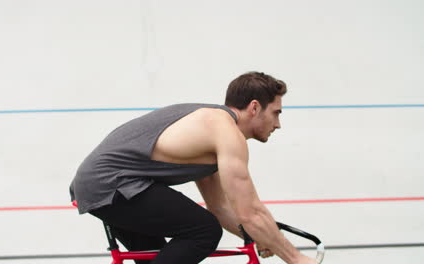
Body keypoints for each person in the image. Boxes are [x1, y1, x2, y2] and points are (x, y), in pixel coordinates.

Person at [69, 71, 317, 264]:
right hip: (113, 185)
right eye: (276, 113)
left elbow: (220, 208)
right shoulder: (225, 131)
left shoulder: (211, 131)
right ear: (254, 107)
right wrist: (295, 258)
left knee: (163, 256)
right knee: (204, 231)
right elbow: (250, 212)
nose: (278, 124)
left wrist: (262, 239)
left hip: (104, 186)